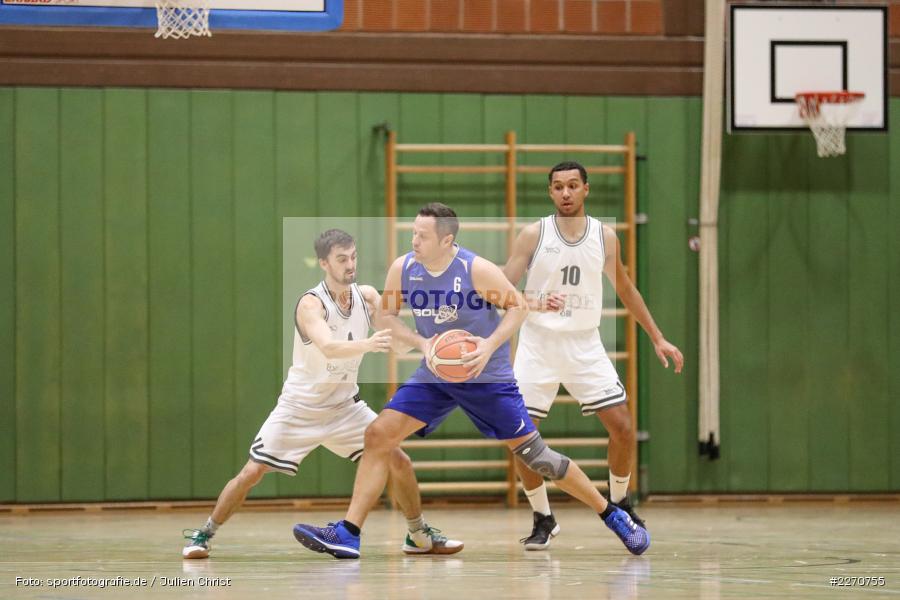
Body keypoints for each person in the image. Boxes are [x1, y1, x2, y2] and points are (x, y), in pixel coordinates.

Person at [293, 203, 650, 559]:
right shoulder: (403, 268)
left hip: (486, 377)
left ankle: (611, 514)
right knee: (378, 435)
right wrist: (423, 343)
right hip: (436, 373)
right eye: (413, 232)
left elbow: (518, 307)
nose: (413, 240)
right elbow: (386, 317)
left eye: (422, 235)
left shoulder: (475, 268)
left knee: (536, 457)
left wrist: (488, 345)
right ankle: (349, 533)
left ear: (447, 240)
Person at [182, 229, 462, 559]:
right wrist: (369, 344)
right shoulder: (310, 304)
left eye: (353, 257)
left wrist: (428, 345)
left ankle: (418, 534)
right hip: (300, 407)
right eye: (342, 259)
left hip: (345, 407)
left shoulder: (367, 296)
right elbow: (329, 346)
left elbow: (397, 342)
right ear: (324, 263)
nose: (350, 265)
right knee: (251, 473)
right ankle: (204, 533)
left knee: (398, 459)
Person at [503, 161, 684, 550]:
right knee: (520, 436)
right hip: (538, 344)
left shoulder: (605, 237)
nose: (565, 193)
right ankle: (542, 516)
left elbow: (625, 288)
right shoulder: (533, 234)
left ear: (586, 188)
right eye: (557, 187)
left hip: (584, 344)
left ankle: (620, 500)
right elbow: (501, 287)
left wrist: (658, 337)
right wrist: (533, 301)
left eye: (572, 185)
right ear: (550, 192)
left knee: (622, 425)